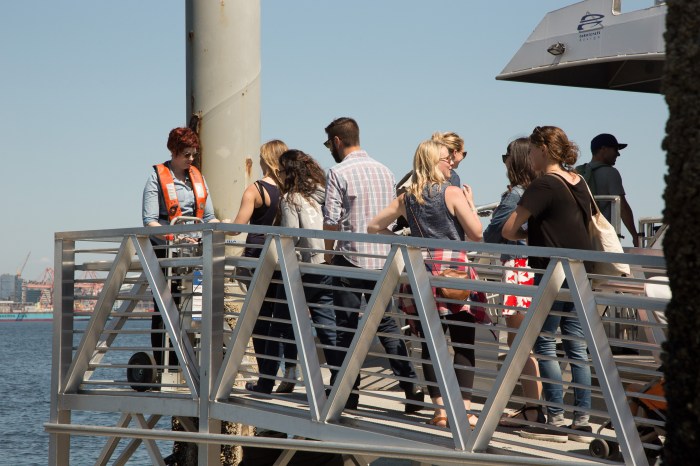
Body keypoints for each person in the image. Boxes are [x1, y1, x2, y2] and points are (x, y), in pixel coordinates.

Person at [368, 139, 482, 428]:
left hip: (423, 270)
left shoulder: (408, 198)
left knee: (431, 345)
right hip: (455, 270)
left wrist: (404, 241)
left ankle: (441, 411)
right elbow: (477, 233)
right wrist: (470, 203)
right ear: (433, 162)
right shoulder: (453, 192)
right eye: (446, 159)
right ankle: (465, 411)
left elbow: (373, 227)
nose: (451, 163)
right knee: (463, 342)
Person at [322, 117, 424, 412]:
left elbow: (331, 220)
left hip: (350, 258)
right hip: (382, 260)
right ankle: (411, 390)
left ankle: (347, 394)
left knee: (344, 328)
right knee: (387, 324)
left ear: (338, 141)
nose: (331, 148)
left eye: (330, 143)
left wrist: (329, 255)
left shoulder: (337, 172)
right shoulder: (384, 170)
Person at [502, 126, 593, 443]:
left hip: (551, 275)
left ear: (542, 149)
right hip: (579, 274)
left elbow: (509, 231)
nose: (531, 157)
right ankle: (581, 422)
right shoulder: (578, 180)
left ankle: (554, 420)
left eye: (534, 150)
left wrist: (532, 236)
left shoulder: (542, 185)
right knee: (577, 348)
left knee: (543, 344)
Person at [250, 149, 341, 394]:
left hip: (299, 270)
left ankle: (265, 383)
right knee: (327, 327)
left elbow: (289, 237)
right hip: (323, 266)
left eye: (281, 170)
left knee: (277, 324)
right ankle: (341, 382)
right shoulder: (324, 193)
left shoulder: (291, 198)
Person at [142, 126, 219, 369]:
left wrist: (223, 227)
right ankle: (168, 361)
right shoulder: (156, 176)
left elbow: (209, 217)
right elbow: (150, 221)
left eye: (193, 154)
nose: (191, 159)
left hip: (196, 253)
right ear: (174, 152)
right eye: (186, 154)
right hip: (166, 253)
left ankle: (193, 357)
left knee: (197, 304)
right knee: (166, 305)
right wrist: (175, 238)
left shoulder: (198, 177)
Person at [483, 137, 543, 427]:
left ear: (515, 159)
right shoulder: (541, 191)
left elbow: (492, 237)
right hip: (537, 272)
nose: (504, 162)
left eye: (505, 156)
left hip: (518, 271)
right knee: (531, 344)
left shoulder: (514, 196)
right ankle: (534, 408)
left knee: (520, 344)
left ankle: (533, 410)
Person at [227, 139, 286, 391]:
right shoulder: (288, 190)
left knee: (260, 319)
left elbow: (239, 225)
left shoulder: (255, 190)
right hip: (281, 258)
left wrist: (222, 222)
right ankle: (286, 372)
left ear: (266, 160)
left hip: (257, 257)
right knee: (279, 317)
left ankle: (265, 379)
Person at [576, 133, 639, 247]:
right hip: (603, 239)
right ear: (603, 149)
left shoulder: (578, 173)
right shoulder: (611, 173)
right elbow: (622, 208)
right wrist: (635, 235)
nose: (618, 154)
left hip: (582, 237)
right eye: (615, 149)